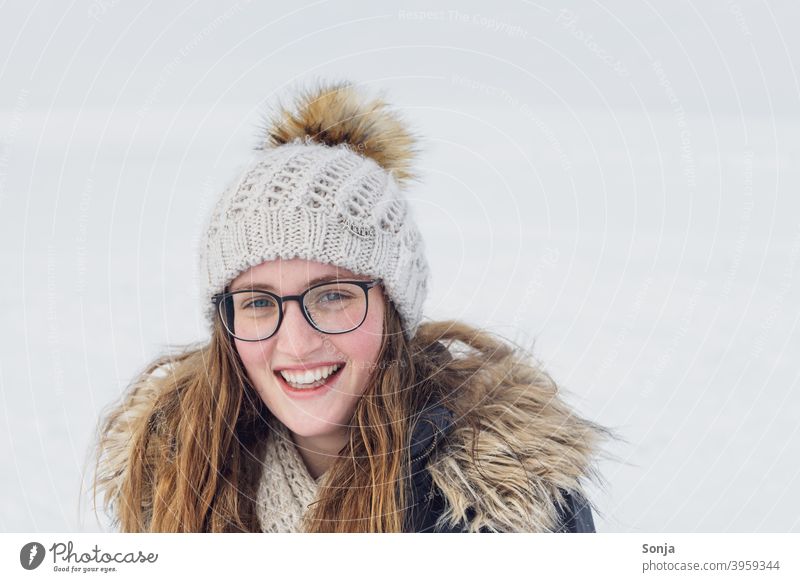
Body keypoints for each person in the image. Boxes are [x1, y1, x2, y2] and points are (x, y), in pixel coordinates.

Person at [92, 79, 609, 533]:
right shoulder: (173, 485)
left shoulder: (505, 515)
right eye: (257, 303)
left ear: (394, 309)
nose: (295, 342)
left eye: (333, 295)